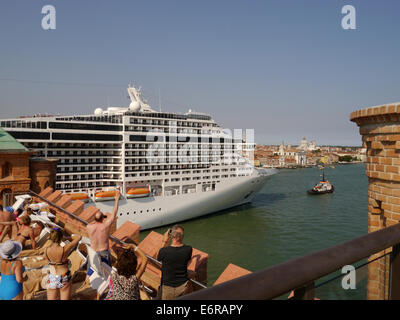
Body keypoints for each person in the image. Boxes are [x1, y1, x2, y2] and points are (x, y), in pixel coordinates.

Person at [86, 190, 120, 274]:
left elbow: (92, 223)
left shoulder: (89, 227)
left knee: (92, 272)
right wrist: (117, 200)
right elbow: (114, 213)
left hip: (93, 252)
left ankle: (91, 282)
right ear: (102, 219)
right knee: (106, 273)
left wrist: (95, 220)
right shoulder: (105, 226)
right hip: (104, 253)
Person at [157, 225, 193, 300]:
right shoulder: (188, 249)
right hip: (183, 286)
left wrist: (164, 241)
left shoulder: (164, 251)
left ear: (171, 236)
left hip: (167, 288)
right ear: (182, 236)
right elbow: (188, 262)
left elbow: (158, 257)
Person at [44, 229, 82, 300]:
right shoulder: (65, 248)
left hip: (52, 276)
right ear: (60, 237)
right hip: (64, 276)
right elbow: (79, 237)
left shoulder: (46, 250)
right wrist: (67, 238)